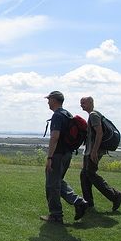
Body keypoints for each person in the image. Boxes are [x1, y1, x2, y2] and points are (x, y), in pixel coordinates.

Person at [41, 91, 88, 223]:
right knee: (58, 182)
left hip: (57, 155)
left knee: (52, 185)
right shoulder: (67, 114)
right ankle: (78, 202)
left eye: (49, 99)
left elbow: (54, 137)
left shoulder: (57, 116)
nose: (48, 102)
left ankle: (56, 215)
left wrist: (49, 158)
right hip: (67, 154)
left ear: (54, 100)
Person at [79, 96, 121, 211]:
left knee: (90, 174)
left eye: (83, 103)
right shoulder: (94, 115)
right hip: (90, 150)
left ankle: (115, 195)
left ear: (91, 102)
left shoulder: (94, 115)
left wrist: (94, 151)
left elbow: (99, 133)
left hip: (94, 151)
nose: (81, 105)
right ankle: (88, 202)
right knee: (84, 174)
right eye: (81, 103)